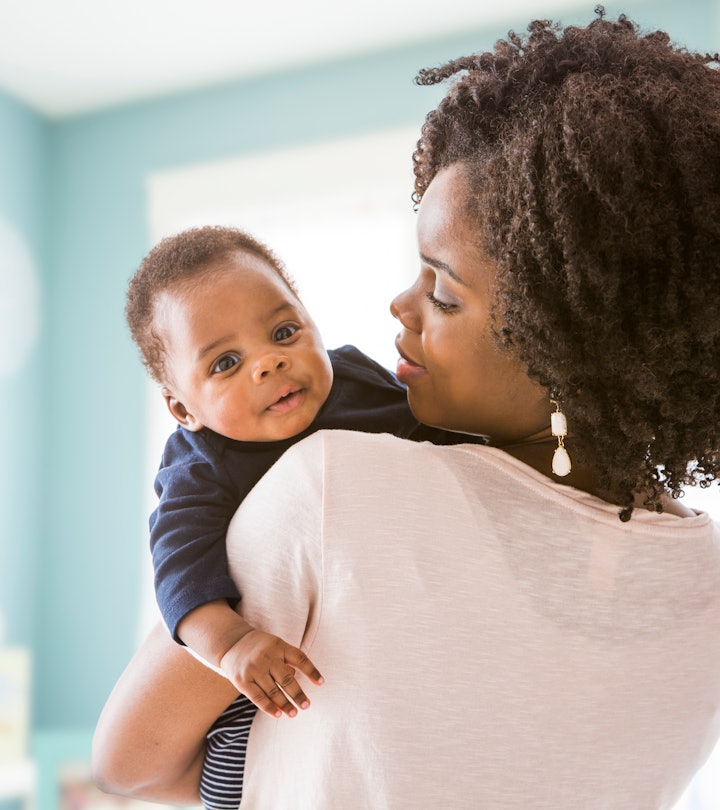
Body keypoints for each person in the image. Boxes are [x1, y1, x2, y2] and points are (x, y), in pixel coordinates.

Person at [93, 12, 720, 809]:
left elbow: (126, 764)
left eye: (443, 292)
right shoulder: (706, 581)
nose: (400, 306)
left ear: (569, 341)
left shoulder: (334, 488)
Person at [125, 225, 481, 808]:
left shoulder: (359, 378)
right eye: (226, 362)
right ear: (183, 407)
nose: (268, 362)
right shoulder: (200, 460)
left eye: (284, 332)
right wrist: (233, 647)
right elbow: (180, 574)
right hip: (260, 684)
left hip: (376, 645)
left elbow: (439, 447)